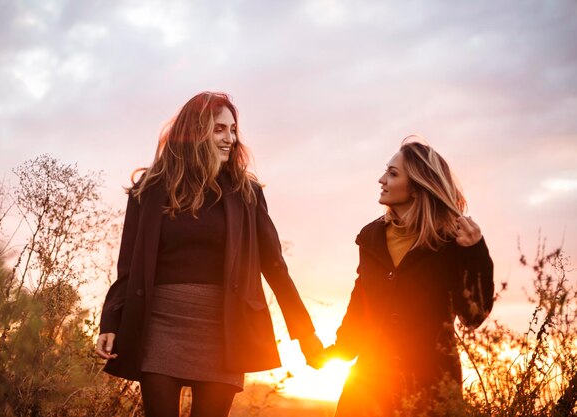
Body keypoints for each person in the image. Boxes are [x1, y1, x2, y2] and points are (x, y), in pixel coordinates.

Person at [95, 92, 322, 417]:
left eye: (232, 130)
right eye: (219, 129)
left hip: (224, 332)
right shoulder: (151, 189)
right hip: (160, 328)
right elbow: (129, 264)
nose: (230, 138)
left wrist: (305, 334)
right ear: (195, 131)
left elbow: (275, 266)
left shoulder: (247, 193)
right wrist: (110, 321)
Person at [323, 138, 494, 416]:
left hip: (431, 386)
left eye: (392, 173)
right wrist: (338, 350)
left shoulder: (452, 242)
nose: (381, 179)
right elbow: (360, 303)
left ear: (417, 185)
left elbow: (473, 316)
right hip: (368, 385)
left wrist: (476, 253)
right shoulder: (371, 237)